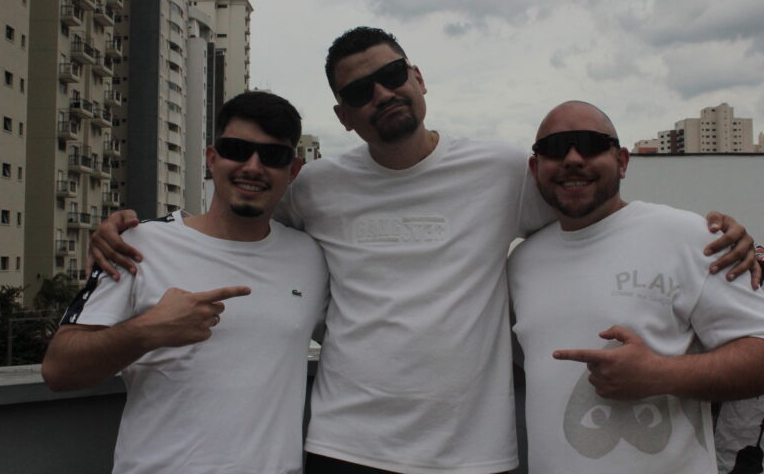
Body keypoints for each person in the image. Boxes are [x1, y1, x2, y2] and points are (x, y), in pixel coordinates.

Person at [89, 28, 760, 474]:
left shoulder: (503, 171)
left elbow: (589, 205)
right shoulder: (315, 186)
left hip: (476, 454)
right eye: (359, 92)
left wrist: (732, 237)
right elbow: (237, 221)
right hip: (344, 445)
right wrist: (133, 230)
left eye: (391, 75)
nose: (382, 94)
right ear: (345, 116)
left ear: (417, 77)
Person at [42, 91, 329, 474]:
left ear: (292, 170)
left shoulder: (311, 257)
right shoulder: (138, 244)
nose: (253, 167)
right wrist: (147, 331)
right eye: (236, 150)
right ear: (212, 158)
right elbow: (58, 370)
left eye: (273, 156)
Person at [507, 101, 764, 473]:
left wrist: (662, 374)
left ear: (623, 161)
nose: (573, 159)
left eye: (591, 144)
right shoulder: (521, 263)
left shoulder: (691, 236)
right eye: (555, 148)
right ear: (535, 169)